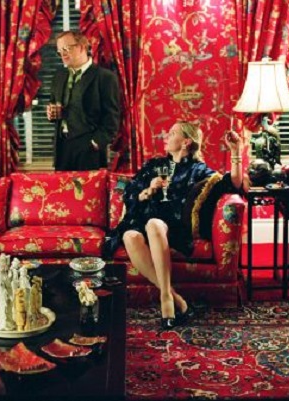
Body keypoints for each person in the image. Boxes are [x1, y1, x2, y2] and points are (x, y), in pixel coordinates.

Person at [104, 121, 244, 330]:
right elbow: (131, 191)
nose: (166, 137)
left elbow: (233, 183)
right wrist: (148, 190)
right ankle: (174, 296)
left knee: (154, 225)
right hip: (141, 216)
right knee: (129, 236)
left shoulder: (197, 170)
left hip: (172, 223)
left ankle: (165, 299)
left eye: (172, 133)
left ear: (186, 142)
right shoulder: (155, 165)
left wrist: (236, 151)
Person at [46, 30, 120, 171]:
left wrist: (95, 143)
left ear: (81, 47)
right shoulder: (59, 76)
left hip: (90, 149)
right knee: (62, 186)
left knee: (89, 187)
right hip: (62, 147)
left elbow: (112, 119)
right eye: (59, 51)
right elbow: (54, 104)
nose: (62, 54)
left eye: (66, 48)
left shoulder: (105, 77)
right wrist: (51, 113)